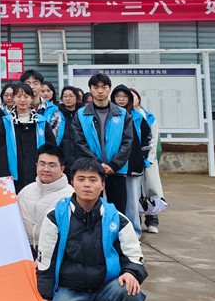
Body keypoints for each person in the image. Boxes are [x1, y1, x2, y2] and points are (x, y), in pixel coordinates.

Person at [36, 158, 147, 301]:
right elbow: (46, 260)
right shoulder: (55, 217)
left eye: (93, 180)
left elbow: (134, 255)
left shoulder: (117, 218)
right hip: (70, 288)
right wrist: (47, 295)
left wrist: (131, 273)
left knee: (131, 290)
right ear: (72, 182)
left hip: (106, 287)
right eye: (81, 179)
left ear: (102, 184)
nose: (87, 184)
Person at [71, 72, 132, 215]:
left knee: (118, 211)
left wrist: (114, 165)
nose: (100, 91)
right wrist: (97, 164)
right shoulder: (81, 114)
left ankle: (116, 231)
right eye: (95, 87)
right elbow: (79, 142)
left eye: (104, 87)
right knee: (90, 210)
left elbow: (127, 142)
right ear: (90, 89)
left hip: (116, 170)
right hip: (91, 171)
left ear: (109, 89)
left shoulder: (122, 114)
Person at [0, 82, 57, 192]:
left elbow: (51, 148)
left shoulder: (41, 122)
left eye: (26, 96)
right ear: (14, 98)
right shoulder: (6, 122)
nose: (22, 100)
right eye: (19, 96)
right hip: (13, 176)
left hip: (38, 175)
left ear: (31, 99)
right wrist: (4, 176)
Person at [17, 143, 73, 252]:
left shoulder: (69, 195)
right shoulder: (25, 191)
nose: (46, 169)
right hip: (25, 251)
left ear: (62, 168)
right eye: (42, 164)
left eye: (52, 165)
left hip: (53, 252)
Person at [112, 84, 152, 237]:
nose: (121, 99)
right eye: (118, 96)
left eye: (124, 96)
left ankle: (134, 233)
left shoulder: (137, 116)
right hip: (115, 166)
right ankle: (116, 231)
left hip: (133, 164)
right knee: (116, 201)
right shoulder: (110, 115)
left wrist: (142, 155)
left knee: (133, 202)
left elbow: (147, 136)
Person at [133, 89, 166, 234]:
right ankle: (137, 222)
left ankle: (152, 221)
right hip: (132, 161)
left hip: (148, 160)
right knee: (135, 193)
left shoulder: (149, 117)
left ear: (139, 99)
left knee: (150, 191)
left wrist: (148, 158)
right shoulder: (123, 115)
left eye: (133, 96)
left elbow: (154, 139)